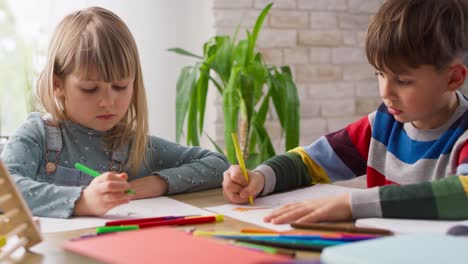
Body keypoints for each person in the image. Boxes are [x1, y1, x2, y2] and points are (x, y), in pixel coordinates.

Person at [222, 0, 468, 224]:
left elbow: (463, 193)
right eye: (379, 74)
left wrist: (351, 204)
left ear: (453, 78)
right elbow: (311, 161)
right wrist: (261, 177)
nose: (385, 91)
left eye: (403, 81)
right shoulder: (381, 125)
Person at [1, 7, 229, 218]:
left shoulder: (133, 146)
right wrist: (82, 201)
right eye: (90, 89)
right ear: (57, 84)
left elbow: (218, 164)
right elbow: (5, 189)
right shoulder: (36, 136)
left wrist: (157, 182)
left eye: (120, 87)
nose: (108, 102)